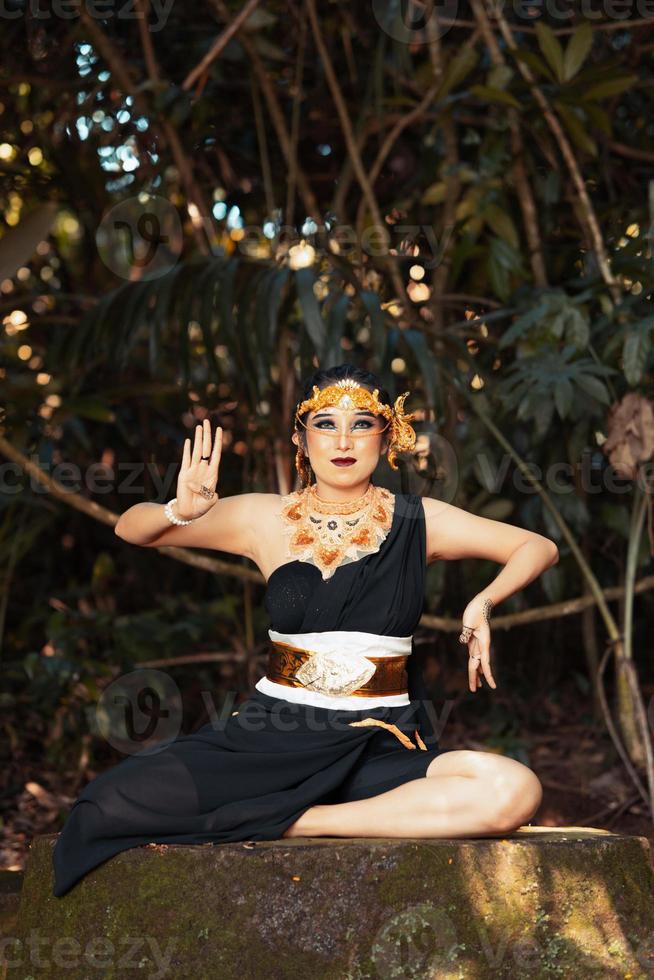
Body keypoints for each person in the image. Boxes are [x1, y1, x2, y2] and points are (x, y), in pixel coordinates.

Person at [52, 363, 553, 898]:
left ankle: (298, 820)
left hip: (376, 741)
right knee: (108, 804)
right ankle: (278, 803)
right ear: (301, 438)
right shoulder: (264, 517)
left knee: (512, 790)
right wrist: (180, 509)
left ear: (387, 439)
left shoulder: (417, 520)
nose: (343, 439)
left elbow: (536, 546)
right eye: (325, 424)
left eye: (362, 424)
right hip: (274, 736)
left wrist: (484, 602)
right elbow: (131, 529)